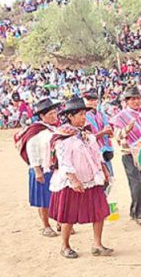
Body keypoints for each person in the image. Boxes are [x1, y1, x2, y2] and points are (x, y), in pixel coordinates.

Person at [48, 96, 113, 259]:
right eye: (80, 115)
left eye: (85, 114)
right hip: (73, 182)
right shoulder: (63, 137)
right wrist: (73, 179)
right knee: (69, 215)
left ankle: (97, 244)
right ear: (70, 116)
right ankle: (65, 245)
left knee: (99, 212)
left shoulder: (87, 134)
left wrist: (104, 170)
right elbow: (63, 160)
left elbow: (97, 155)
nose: (84, 118)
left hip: (92, 179)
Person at [111, 86, 141, 226]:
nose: (136, 101)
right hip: (129, 153)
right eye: (132, 99)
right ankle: (140, 214)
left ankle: (134, 210)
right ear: (126, 101)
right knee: (136, 183)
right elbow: (117, 135)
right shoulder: (121, 117)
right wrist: (127, 129)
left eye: (138, 98)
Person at [14, 98, 61, 237]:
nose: (54, 116)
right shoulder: (35, 131)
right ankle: (46, 225)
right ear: (42, 116)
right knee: (43, 200)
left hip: (53, 168)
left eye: (55, 113)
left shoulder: (53, 129)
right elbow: (31, 150)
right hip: (41, 168)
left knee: (56, 197)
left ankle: (60, 222)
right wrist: (37, 170)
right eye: (50, 114)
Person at [83, 89, 115, 176]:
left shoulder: (102, 115)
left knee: (110, 178)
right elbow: (86, 139)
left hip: (105, 150)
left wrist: (109, 132)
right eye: (89, 100)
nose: (92, 102)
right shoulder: (82, 117)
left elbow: (111, 135)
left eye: (94, 100)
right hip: (92, 152)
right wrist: (103, 132)